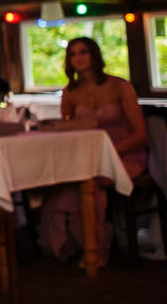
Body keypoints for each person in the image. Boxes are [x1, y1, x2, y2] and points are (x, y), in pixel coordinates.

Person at [38, 37, 147, 266]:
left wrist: (110, 153)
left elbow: (140, 134)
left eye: (83, 52)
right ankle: (66, 245)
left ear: (94, 55)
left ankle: (95, 249)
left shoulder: (119, 86)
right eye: (73, 54)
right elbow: (68, 130)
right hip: (87, 156)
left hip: (123, 154)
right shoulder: (70, 93)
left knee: (90, 183)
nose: (78, 57)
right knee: (61, 183)